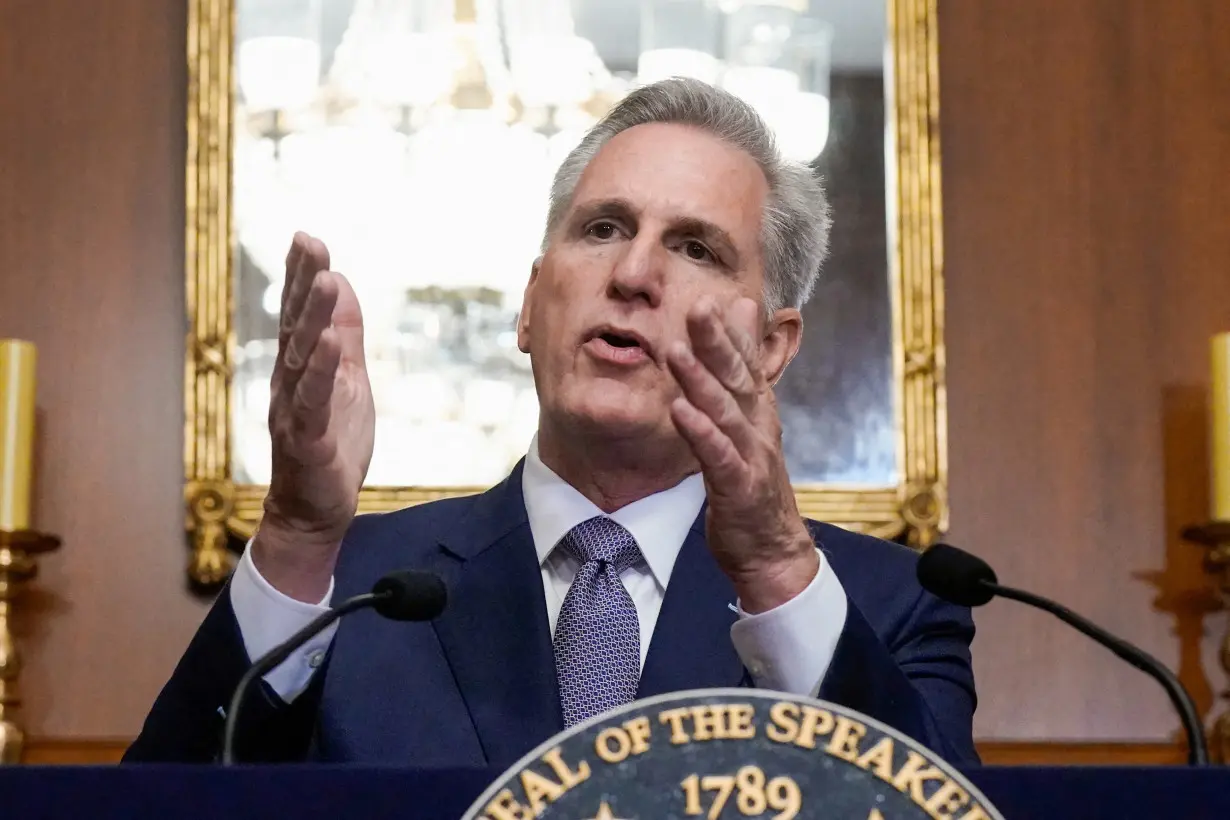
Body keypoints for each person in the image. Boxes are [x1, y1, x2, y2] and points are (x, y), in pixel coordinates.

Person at [126, 78, 977, 767]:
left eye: (695, 249)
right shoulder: (353, 589)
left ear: (770, 347)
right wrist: (298, 535)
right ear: (532, 305)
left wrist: (777, 569)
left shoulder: (889, 606)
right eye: (603, 229)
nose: (634, 273)